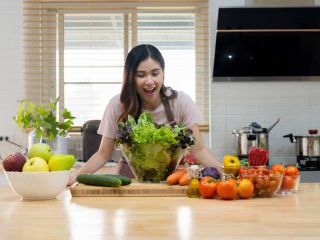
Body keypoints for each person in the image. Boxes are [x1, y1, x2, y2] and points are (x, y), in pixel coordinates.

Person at [68, 44, 222, 185]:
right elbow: (103, 154)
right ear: (130, 77)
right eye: (141, 75)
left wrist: (228, 174)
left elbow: (199, 150)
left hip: (170, 181)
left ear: (163, 73)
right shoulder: (117, 105)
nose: (149, 81)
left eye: (155, 73)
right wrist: (74, 177)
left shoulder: (181, 101)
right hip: (129, 180)